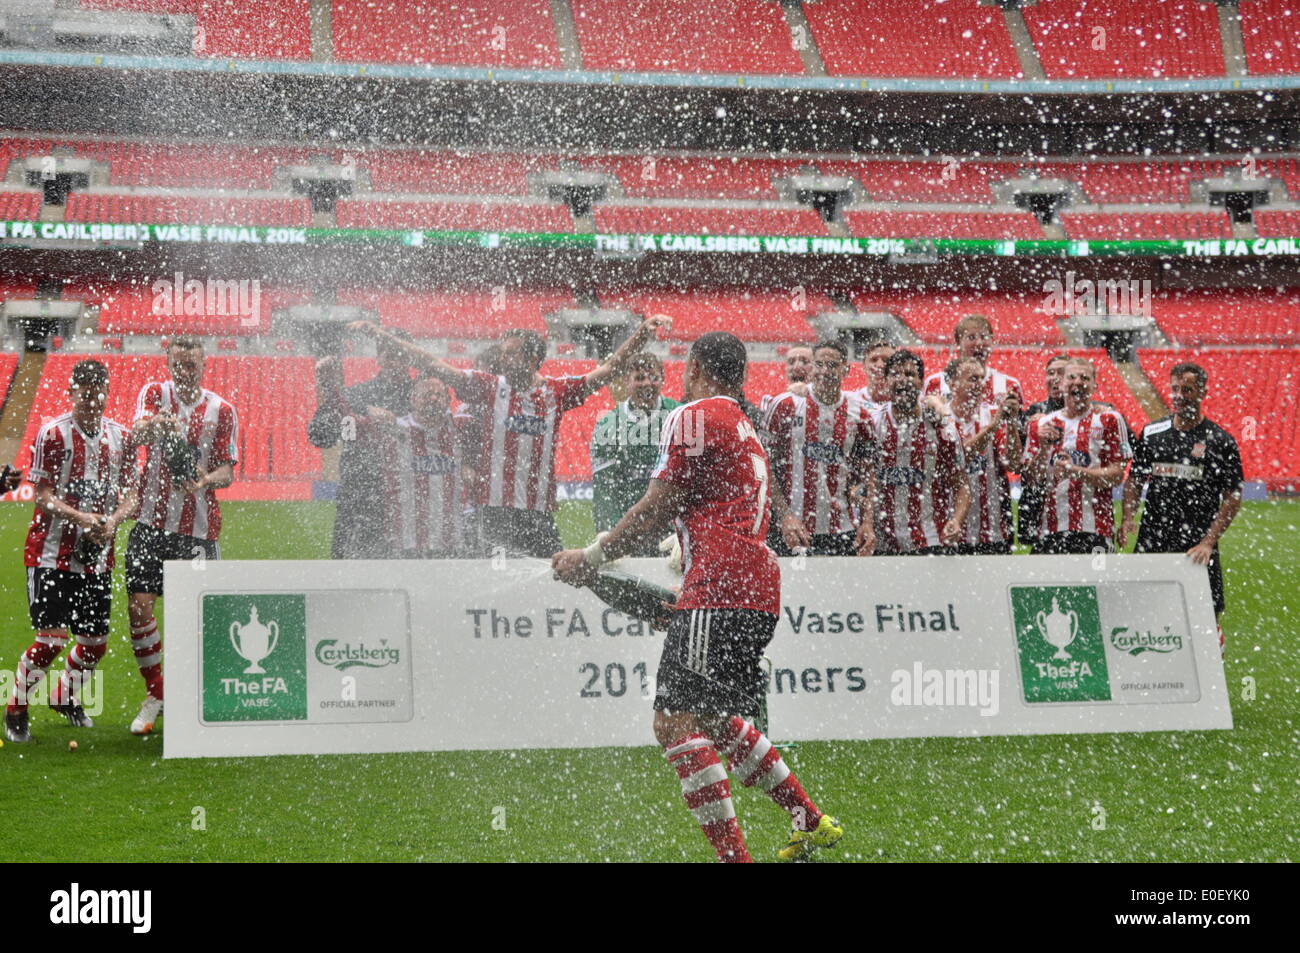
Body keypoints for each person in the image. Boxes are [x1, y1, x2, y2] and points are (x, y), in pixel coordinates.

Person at [552, 331, 842, 863]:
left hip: (722, 587)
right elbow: (710, 506)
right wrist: (688, 542)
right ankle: (810, 820)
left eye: (686, 365)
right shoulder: (741, 422)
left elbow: (654, 506)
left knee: (673, 722)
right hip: (754, 587)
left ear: (698, 366)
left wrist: (591, 557)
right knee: (712, 717)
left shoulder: (692, 415)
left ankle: (735, 859)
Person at [348, 316, 668, 558]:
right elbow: (432, 363)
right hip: (496, 514)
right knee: (496, 588)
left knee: (553, 579)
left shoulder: (555, 393)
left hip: (538, 514)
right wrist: (381, 335)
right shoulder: (490, 387)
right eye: (502, 354)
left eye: (511, 354)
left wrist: (642, 333)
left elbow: (610, 369)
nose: (503, 360)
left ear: (531, 359)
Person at [5, 361, 138, 743]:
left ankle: (64, 696)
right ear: (72, 391)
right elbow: (42, 497)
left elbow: (131, 494)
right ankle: (16, 710)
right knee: (51, 640)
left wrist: (113, 521)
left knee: (95, 644)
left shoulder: (121, 438)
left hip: (97, 556)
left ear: (107, 393)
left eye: (99, 392)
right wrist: (81, 517)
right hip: (50, 554)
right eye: (85, 392)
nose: (92, 400)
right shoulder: (52, 434)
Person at [125, 336, 238, 735]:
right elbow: (135, 435)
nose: (185, 370)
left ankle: (196, 698)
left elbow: (227, 470)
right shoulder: (154, 394)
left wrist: (204, 479)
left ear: (204, 363)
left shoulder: (221, 410)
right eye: (179, 363)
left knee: (200, 619)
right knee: (139, 608)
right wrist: (159, 423)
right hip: (151, 525)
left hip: (198, 532)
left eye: (192, 363)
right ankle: (157, 693)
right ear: (169, 363)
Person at [1119, 363, 1243, 643]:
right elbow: (1135, 480)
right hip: (1153, 538)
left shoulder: (1220, 440)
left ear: (1203, 392)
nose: (1179, 395)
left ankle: (1210, 674)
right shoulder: (1152, 433)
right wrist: (1128, 517)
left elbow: (1233, 497)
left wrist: (1209, 542)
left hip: (1195, 544)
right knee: (1143, 612)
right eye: (1175, 389)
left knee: (1206, 617)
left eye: (1187, 389)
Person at [308, 327, 416, 559]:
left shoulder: (425, 396)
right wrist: (346, 416)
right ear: (379, 357)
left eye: (401, 355)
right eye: (389, 354)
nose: (395, 361)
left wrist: (395, 426)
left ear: (410, 357)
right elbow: (319, 435)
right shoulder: (355, 395)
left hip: (410, 501)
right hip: (359, 497)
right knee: (346, 572)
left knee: (410, 575)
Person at [762, 339, 875, 556]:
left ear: (846, 370)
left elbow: (868, 472)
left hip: (842, 529)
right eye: (819, 364)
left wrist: (867, 522)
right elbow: (765, 465)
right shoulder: (785, 405)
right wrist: (785, 515)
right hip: (793, 527)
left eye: (832, 366)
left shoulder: (858, 414)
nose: (825, 371)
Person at [862, 349, 969, 555]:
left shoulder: (942, 427)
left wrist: (956, 520)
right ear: (885, 381)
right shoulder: (872, 424)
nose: (903, 380)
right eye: (895, 374)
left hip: (931, 540)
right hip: (883, 543)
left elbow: (961, 484)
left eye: (910, 374)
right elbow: (867, 480)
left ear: (921, 383)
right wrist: (866, 521)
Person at [1021, 357, 1130, 555]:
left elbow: (1116, 476)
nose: (1078, 382)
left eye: (1084, 378)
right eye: (1071, 377)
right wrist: (1044, 449)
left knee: (1100, 583)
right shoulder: (1042, 424)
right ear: (1061, 384)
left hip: (1097, 530)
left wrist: (1075, 471)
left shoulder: (1109, 419)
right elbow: (1032, 478)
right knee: (1050, 585)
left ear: (1094, 385)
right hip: (1051, 530)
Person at [359, 376, 471, 558]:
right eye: (427, 395)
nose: (434, 399)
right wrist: (366, 408)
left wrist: (470, 465)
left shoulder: (459, 429)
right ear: (413, 399)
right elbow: (345, 419)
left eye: (439, 395)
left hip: (450, 540)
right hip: (406, 541)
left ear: (448, 401)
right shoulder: (394, 429)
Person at [590, 353, 681, 554]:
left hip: (670, 533)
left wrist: (686, 529)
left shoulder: (680, 415)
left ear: (663, 380)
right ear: (626, 381)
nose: (647, 383)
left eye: (654, 377)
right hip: (627, 530)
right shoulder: (609, 424)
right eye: (639, 377)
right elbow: (605, 487)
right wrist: (607, 531)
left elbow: (695, 481)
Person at [945, 357, 1020, 554]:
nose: (979, 384)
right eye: (972, 379)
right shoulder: (942, 418)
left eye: (981, 378)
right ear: (952, 383)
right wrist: (991, 429)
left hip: (993, 530)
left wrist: (1011, 425)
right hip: (951, 528)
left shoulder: (992, 413)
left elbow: (1013, 464)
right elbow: (956, 459)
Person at [1017, 353, 1071, 548]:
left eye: (1062, 373)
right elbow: (1016, 462)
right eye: (1050, 373)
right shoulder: (1032, 413)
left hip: (1073, 503)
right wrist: (1027, 429)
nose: (1055, 378)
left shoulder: (1096, 413)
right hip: (1037, 503)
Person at [921, 314, 1023, 406]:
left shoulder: (1009, 385)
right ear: (958, 344)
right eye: (971, 337)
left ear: (992, 341)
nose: (979, 343)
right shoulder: (936, 382)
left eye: (984, 337)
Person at [759, 343, 814, 414]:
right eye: (791, 362)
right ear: (785, 368)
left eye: (804, 361)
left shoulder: (822, 400)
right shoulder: (772, 400)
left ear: (815, 367)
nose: (796, 366)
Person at [851, 340, 894, 409]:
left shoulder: (905, 399)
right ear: (864, 366)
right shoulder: (852, 401)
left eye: (886, 360)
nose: (880, 365)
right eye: (874, 360)